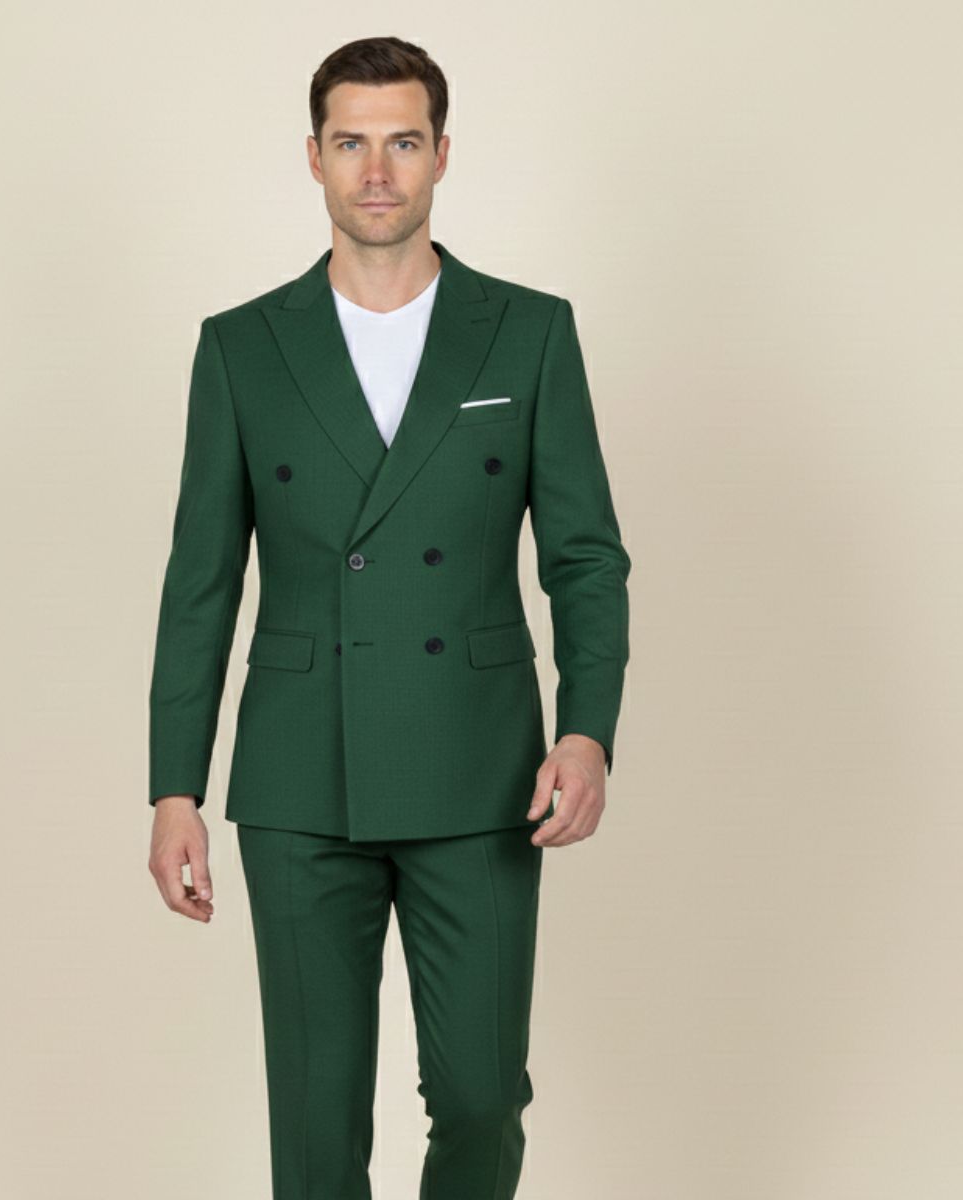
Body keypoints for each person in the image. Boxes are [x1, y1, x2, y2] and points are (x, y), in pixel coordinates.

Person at [146, 34, 632, 1200]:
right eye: (351, 143)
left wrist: (587, 731)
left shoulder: (528, 331)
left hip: (483, 769)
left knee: (480, 1096)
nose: (377, 171)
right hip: (298, 776)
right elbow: (201, 582)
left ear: (442, 155)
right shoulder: (242, 347)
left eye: (403, 142)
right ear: (313, 157)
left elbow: (585, 557)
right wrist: (174, 788)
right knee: (316, 1127)